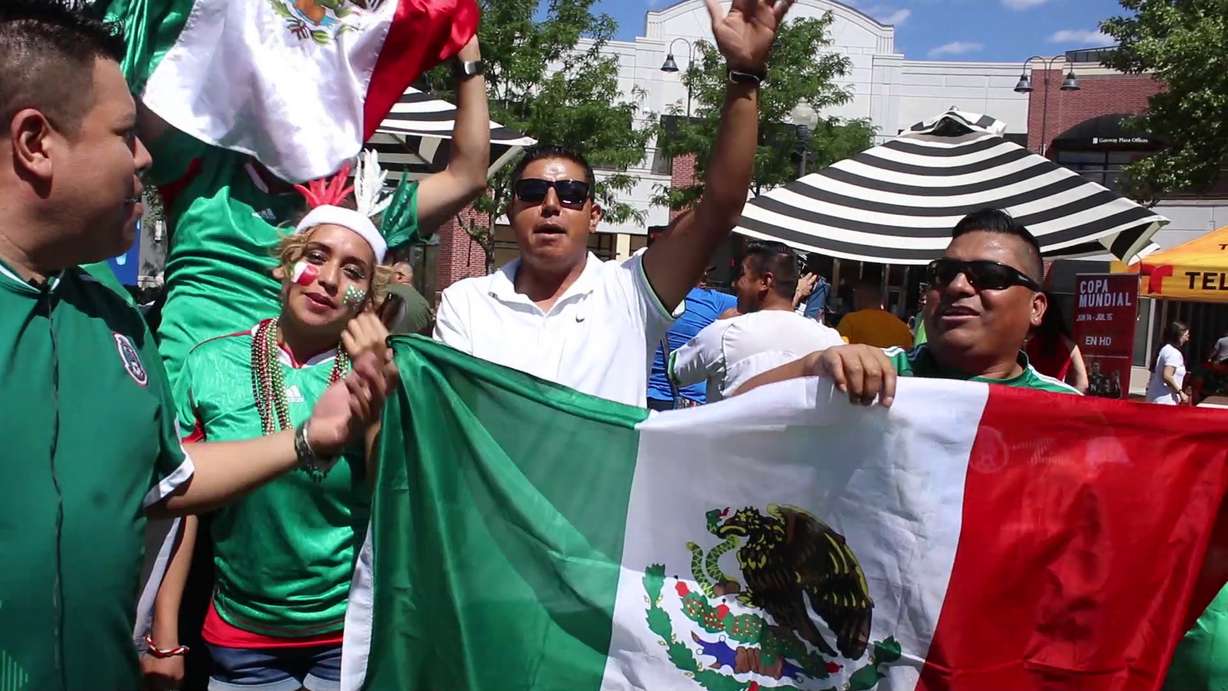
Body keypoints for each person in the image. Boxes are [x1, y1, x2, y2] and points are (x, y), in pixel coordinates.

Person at [0, 4, 396, 688]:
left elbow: (170, 484)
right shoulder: (207, 353)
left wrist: (314, 436)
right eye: (126, 135)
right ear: (35, 142)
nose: (146, 157)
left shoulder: (120, 322)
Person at [433, 0, 795, 407]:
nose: (552, 204)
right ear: (510, 211)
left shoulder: (630, 292)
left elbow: (721, 208)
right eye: (533, 194)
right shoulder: (466, 304)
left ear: (595, 216)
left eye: (571, 194)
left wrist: (744, 77)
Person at [143, 165, 397, 691]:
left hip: (346, 636)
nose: (329, 280)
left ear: (370, 298)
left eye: (354, 272)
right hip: (241, 639)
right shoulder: (209, 361)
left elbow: (395, 501)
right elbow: (181, 504)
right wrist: (163, 632)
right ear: (285, 266)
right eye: (317, 257)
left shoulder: (390, 375)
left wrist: (374, 399)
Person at [130, 29, 489, 389]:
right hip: (185, 407)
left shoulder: (350, 221)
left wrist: (467, 57)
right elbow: (150, 80)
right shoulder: (200, 167)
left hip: (292, 408)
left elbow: (467, 176)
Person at [738, 208, 1080, 404]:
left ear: (1036, 308)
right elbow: (730, 414)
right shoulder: (872, 375)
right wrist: (813, 366)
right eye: (943, 273)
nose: (957, 286)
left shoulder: (1067, 412)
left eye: (988, 275)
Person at [670, 242, 844, 403]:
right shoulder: (830, 341)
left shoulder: (725, 333)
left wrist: (716, 325)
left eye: (741, 275)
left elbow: (675, 371)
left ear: (764, 282)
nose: (734, 283)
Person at [646, 263, 737, 411]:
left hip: (648, 397)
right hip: (691, 403)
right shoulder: (712, 301)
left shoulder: (651, 298)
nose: (706, 278)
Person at [1025, 296, 1089, 393]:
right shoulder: (1068, 344)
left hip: (1027, 397)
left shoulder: (1024, 340)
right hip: (1055, 400)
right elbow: (1083, 384)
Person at [836, 278, 914, 349]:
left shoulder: (850, 321)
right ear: (881, 300)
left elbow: (838, 350)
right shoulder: (902, 327)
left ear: (859, 298)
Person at [379, 253, 433, 336]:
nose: (388, 277)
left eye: (390, 273)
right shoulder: (424, 304)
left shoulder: (384, 291)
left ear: (399, 276)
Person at [1146, 320, 1190, 405]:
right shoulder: (1173, 353)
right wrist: (1181, 392)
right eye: (1186, 335)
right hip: (1165, 400)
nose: (1187, 338)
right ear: (1178, 336)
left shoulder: (1165, 349)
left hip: (1157, 397)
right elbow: (1167, 376)